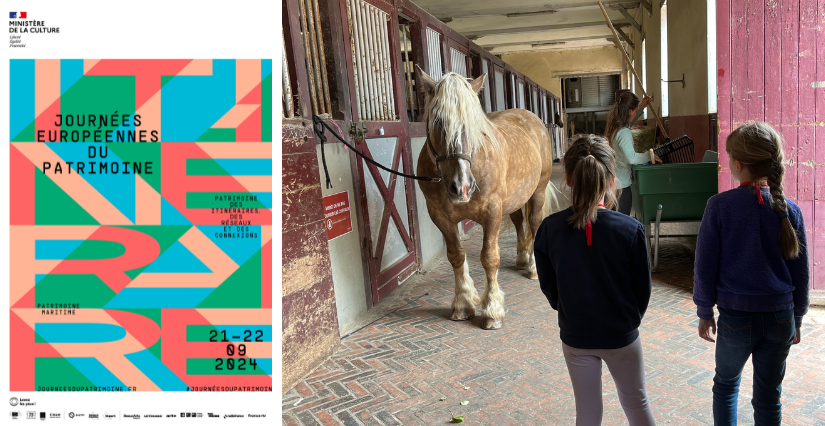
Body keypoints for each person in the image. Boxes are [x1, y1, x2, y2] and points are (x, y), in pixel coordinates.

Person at [534, 135, 655, 426]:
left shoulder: (549, 229)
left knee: (587, 413)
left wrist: (569, 308)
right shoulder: (631, 229)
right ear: (612, 180)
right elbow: (642, 290)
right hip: (621, 335)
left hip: (576, 335)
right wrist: (627, 320)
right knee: (636, 403)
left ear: (569, 180)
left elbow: (549, 286)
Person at [693, 122, 809, 425]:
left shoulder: (719, 207)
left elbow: (705, 265)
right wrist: (797, 317)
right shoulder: (790, 211)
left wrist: (705, 310)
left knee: (726, 386)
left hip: (736, 319)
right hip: (780, 319)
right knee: (769, 396)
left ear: (737, 163)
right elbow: (801, 273)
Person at [604, 89, 658, 215]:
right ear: (629, 111)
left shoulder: (614, 127)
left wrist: (641, 107)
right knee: (622, 223)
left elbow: (628, 124)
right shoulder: (624, 132)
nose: (635, 114)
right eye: (634, 111)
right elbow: (632, 158)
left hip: (612, 185)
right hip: (621, 188)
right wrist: (650, 156)